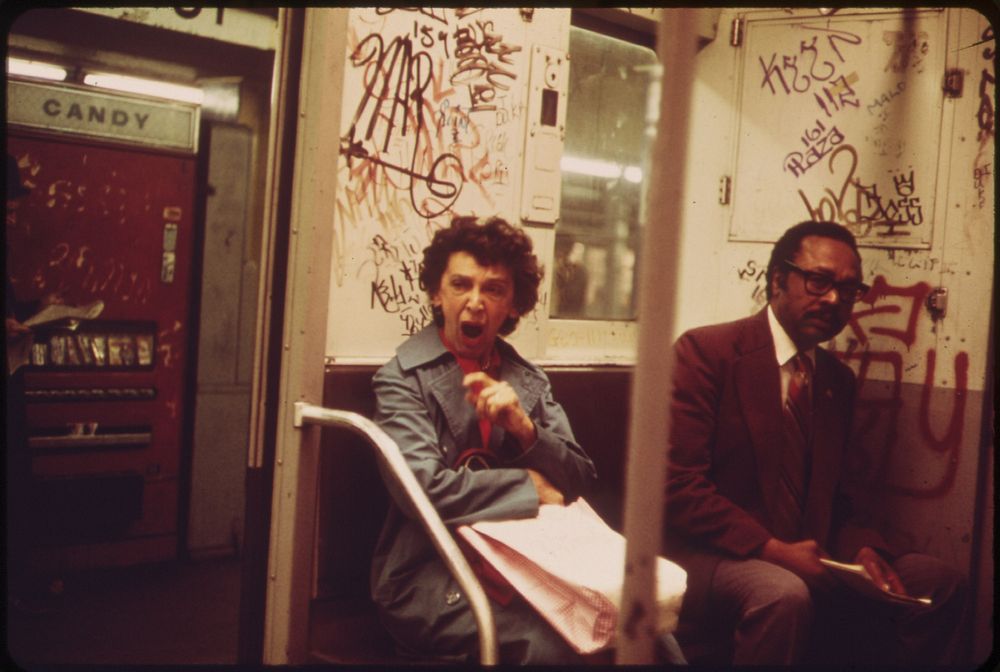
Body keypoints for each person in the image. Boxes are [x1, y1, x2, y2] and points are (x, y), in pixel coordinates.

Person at [663, 220, 968, 666]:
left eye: (849, 290)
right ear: (776, 281)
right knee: (781, 593)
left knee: (939, 582)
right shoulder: (707, 352)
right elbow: (677, 486)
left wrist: (864, 549)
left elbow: (840, 497)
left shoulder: (835, 380)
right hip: (713, 555)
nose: (833, 300)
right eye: (819, 281)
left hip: (810, 551)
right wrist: (773, 550)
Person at [369, 215, 598, 664]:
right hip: (431, 571)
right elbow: (424, 491)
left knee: (644, 632)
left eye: (493, 290)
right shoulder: (401, 380)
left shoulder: (527, 381)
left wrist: (524, 428)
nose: (475, 303)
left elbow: (578, 477)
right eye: (460, 285)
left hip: (529, 561)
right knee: (552, 649)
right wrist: (528, 488)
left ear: (513, 306)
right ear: (438, 294)